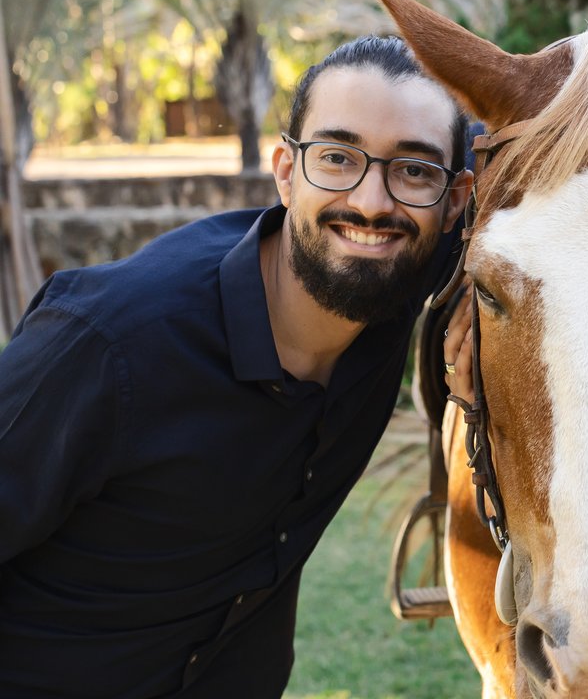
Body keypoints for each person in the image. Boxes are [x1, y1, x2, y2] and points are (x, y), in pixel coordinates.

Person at [0, 35, 473, 697]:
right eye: (337, 158)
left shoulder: (390, 271)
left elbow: (558, 143)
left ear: (456, 201)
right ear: (286, 172)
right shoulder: (110, 344)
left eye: (414, 170)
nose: (372, 202)